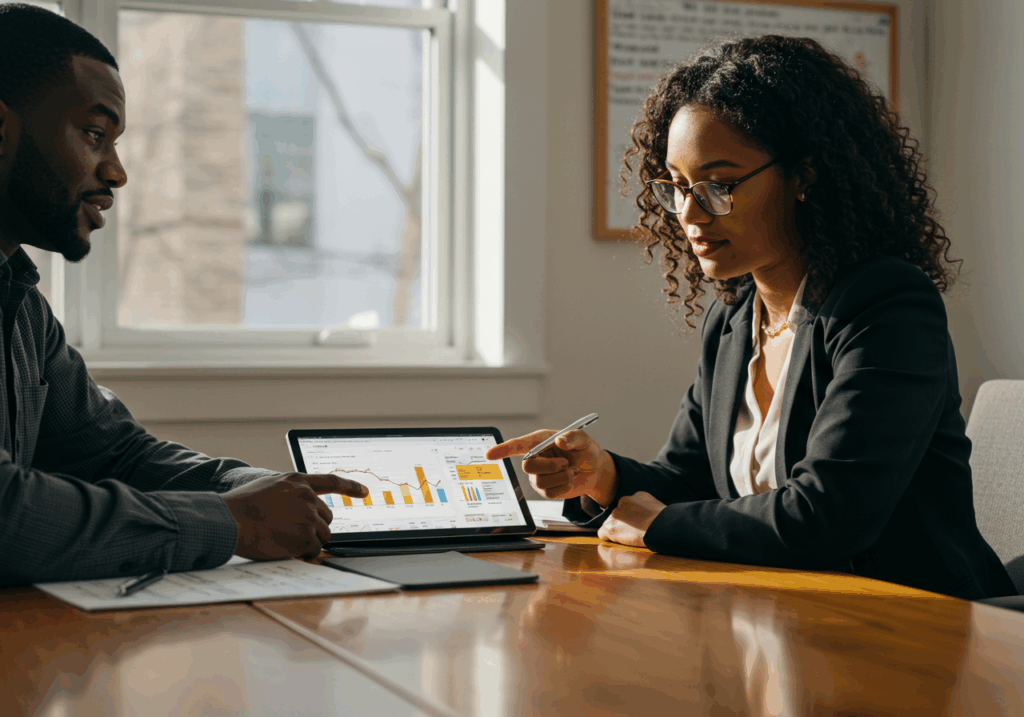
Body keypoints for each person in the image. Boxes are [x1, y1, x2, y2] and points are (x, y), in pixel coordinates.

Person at [488, 35, 1015, 599]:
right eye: (677, 187)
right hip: (781, 609)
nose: (690, 215)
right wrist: (601, 475)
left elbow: (828, 516)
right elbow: (689, 480)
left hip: (912, 616)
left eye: (718, 186)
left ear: (805, 176)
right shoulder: (735, 319)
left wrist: (659, 526)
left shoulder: (886, 304)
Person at [0, 3, 367, 586]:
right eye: (94, 135)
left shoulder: (20, 304)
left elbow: (114, 455)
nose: (116, 172)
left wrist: (256, 490)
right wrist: (231, 521)